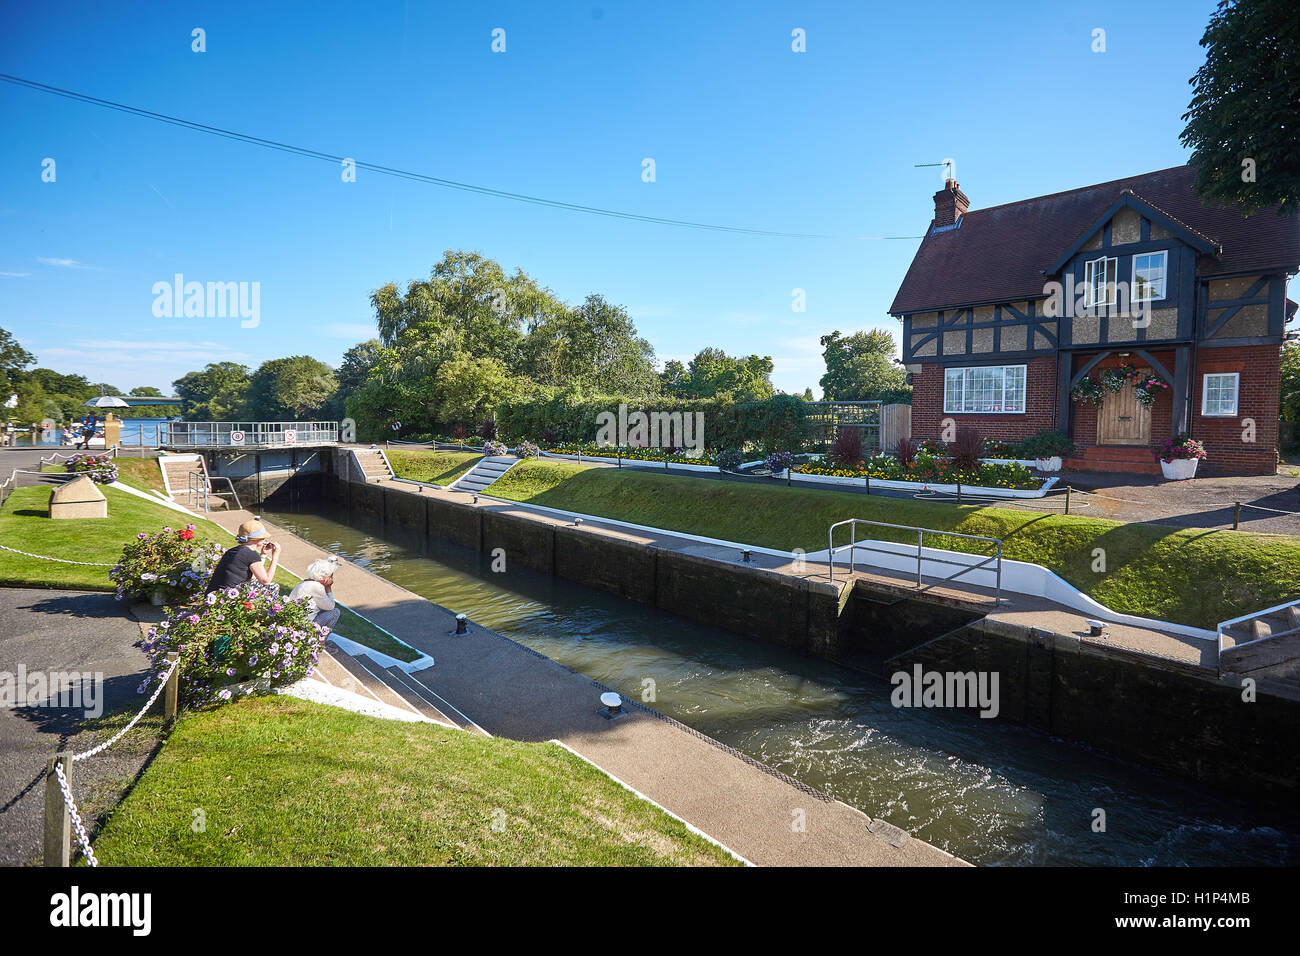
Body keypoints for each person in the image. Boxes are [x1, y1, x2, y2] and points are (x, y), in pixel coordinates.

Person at [205, 519, 282, 594]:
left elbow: (253, 577)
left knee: (254, 584)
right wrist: (275, 557)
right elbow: (266, 581)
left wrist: (263, 555)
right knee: (274, 587)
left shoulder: (232, 551)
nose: (265, 540)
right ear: (256, 539)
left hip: (214, 595)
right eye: (263, 538)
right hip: (228, 598)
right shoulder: (251, 554)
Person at [288, 558, 341, 631]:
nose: (332, 579)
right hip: (304, 625)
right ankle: (321, 641)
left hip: (295, 621)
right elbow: (330, 606)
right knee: (335, 612)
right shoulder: (316, 587)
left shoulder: (304, 582)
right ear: (324, 577)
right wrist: (328, 587)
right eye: (331, 576)